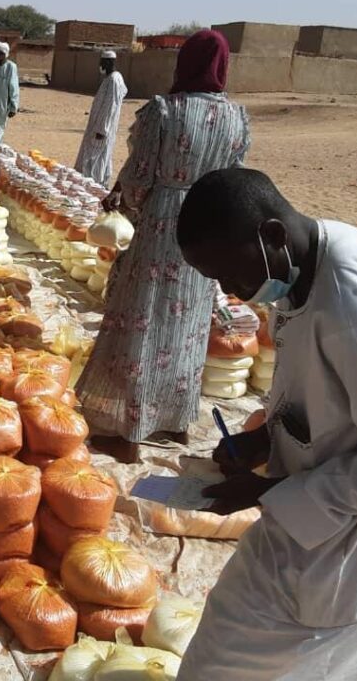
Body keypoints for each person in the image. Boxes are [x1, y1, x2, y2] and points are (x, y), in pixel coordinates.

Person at [174, 167, 357, 681]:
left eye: (229, 274)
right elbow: (319, 387)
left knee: (234, 655)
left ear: (271, 235)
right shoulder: (300, 263)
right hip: (331, 494)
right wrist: (265, 437)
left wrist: (273, 491)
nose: (231, 291)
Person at [75, 30, 250, 463]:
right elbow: (234, 178)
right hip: (204, 230)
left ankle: (130, 433)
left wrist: (122, 202)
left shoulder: (165, 111)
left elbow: (139, 177)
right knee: (186, 328)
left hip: (161, 226)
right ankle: (176, 423)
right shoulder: (238, 118)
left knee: (143, 321)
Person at [73, 50, 128, 186]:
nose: (100, 65)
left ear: (108, 63)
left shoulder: (114, 80)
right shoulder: (111, 79)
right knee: (101, 157)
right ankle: (100, 186)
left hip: (102, 130)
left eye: (102, 62)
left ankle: (93, 187)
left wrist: (102, 129)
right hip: (100, 127)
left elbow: (110, 106)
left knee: (94, 159)